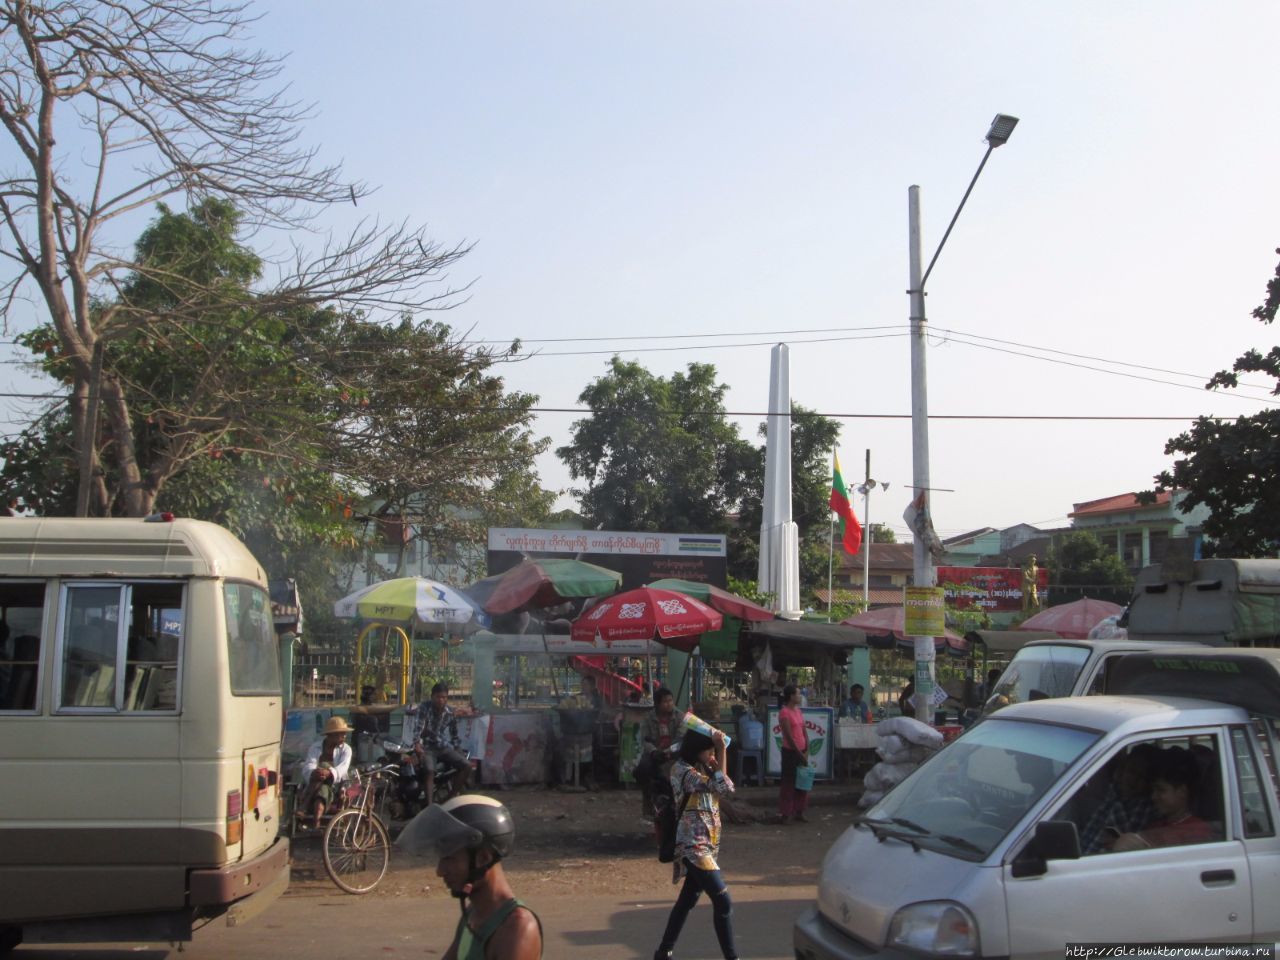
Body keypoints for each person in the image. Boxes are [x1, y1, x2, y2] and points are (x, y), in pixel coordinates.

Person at [397, 794, 543, 960]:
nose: (440, 871)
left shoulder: (518, 927)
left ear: (483, 858)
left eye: (449, 858)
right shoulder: (474, 913)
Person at [653, 728, 738, 960]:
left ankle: (663, 951)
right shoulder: (682, 771)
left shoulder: (703, 770)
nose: (712, 753)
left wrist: (715, 763)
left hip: (707, 845)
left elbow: (728, 787)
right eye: (709, 749)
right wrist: (721, 751)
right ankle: (732, 957)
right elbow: (723, 787)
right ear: (698, 749)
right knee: (723, 901)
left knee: (686, 901)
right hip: (694, 846)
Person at [1111, 747, 1213, 851]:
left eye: (1161, 790)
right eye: (1153, 790)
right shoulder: (1155, 827)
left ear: (1182, 792)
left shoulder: (1197, 832)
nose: (1153, 797)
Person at [1077, 743, 1158, 855]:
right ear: (1123, 770)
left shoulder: (1144, 808)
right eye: (1132, 771)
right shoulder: (1110, 791)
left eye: (1142, 777)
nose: (1134, 780)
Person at [414, 681, 472, 803]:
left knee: (467, 765)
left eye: (444, 697)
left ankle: (450, 798)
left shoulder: (449, 711)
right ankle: (430, 805)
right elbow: (418, 728)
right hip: (427, 747)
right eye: (438, 697)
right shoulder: (424, 708)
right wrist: (417, 744)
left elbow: (454, 734)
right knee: (429, 770)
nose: (441, 700)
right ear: (432, 697)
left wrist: (457, 748)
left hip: (443, 746)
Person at [634, 686, 683, 818]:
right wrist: (655, 751)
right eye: (665, 701)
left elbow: (681, 737)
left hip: (674, 754)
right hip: (655, 754)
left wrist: (670, 751)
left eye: (671, 701)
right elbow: (643, 739)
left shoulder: (679, 716)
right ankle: (648, 801)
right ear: (657, 704)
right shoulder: (648, 718)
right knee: (641, 770)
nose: (669, 704)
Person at [297, 716, 353, 829]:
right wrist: (316, 772)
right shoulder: (315, 747)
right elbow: (309, 765)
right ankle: (316, 824)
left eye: (344, 733)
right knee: (321, 793)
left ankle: (304, 805)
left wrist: (328, 772)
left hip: (336, 785)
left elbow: (343, 768)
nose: (344, 736)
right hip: (317, 784)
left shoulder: (346, 749)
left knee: (324, 766)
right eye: (340, 734)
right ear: (331, 735)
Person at [777, 684, 810, 825]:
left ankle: (799, 811)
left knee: (802, 783)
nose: (799, 696)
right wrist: (799, 753)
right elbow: (789, 736)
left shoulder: (798, 711)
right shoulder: (785, 713)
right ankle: (786, 812)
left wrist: (807, 748)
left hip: (801, 750)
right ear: (791, 696)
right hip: (791, 752)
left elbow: (804, 730)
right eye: (797, 694)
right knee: (789, 783)